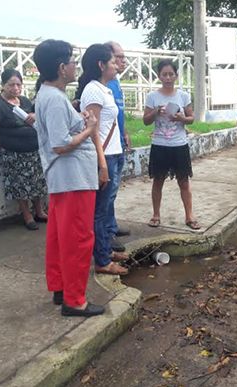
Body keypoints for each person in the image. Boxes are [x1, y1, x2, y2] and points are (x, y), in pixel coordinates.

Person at [33, 39, 105, 316]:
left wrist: (79, 117)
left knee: (60, 237)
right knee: (77, 238)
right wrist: (89, 128)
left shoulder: (50, 95)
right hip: (73, 178)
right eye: (72, 61)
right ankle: (75, 300)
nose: (76, 66)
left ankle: (61, 287)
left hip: (67, 179)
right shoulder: (52, 98)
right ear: (62, 68)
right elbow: (61, 144)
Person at [76, 43, 129, 276]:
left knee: (106, 207)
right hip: (104, 156)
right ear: (100, 65)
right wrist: (102, 164)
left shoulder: (105, 88)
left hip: (114, 153)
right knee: (100, 210)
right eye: (112, 61)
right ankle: (102, 260)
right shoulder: (93, 91)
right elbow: (93, 130)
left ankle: (106, 250)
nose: (117, 64)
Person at [0, 68, 47, 230]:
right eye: (11, 85)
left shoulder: (23, 101)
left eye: (18, 84)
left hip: (33, 150)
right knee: (20, 185)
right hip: (15, 153)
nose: (16, 88)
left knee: (37, 182)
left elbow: (35, 117)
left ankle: (39, 211)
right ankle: (27, 215)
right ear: (3, 85)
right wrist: (1, 142)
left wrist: (35, 116)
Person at [142, 60, 200, 230]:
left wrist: (182, 118)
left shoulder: (183, 96)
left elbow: (192, 118)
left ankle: (189, 215)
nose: (168, 78)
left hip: (179, 144)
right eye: (164, 74)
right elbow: (145, 121)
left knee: (184, 181)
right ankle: (155, 215)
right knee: (158, 180)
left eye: (171, 74)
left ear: (176, 76)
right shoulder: (153, 96)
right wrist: (155, 112)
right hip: (160, 144)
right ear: (159, 76)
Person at [104, 41, 131, 253]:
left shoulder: (115, 82)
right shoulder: (103, 85)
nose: (122, 61)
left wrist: (124, 132)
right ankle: (106, 233)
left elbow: (117, 115)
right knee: (108, 192)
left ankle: (111, 226)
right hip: (108, 148)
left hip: (118, 142)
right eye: (118, 57)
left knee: (113, 191)